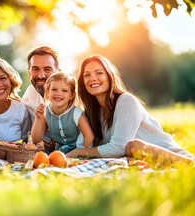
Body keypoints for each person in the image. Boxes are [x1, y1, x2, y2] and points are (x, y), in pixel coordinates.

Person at [66, 55, 194, 165]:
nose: (92, 78)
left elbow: (118, 148)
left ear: (110, 76)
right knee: (126, 157)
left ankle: (189, 164)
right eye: (86, 75)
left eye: (99, 73)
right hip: (140, 160)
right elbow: (96, 148)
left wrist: (78, 152)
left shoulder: (126, 101)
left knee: (133, 146)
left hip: (172, 156)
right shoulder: (92, 114)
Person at [31, 72, 95, 154]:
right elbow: (36, 140)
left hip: (77, 150)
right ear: (47, 92)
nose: (58, 94)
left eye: (64, 90)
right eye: (54, 89)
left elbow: (89, 136)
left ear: (71, 95)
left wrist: (82, 154)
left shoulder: (76, 113)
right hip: (58, 152)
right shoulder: (46, 112)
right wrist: (38, 118)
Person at [22, 46, 60, 124]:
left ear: (58, 73)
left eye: (47, 69)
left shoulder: (73, 96)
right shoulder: (30, 94)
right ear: (29, 73)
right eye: (36, 69)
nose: (41, 76)